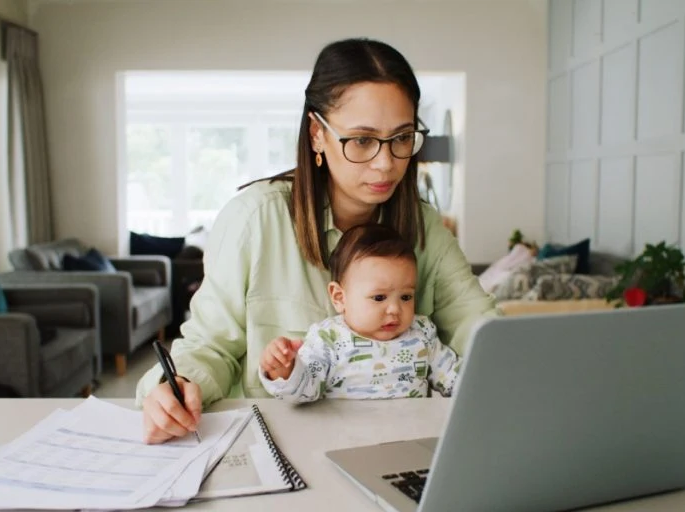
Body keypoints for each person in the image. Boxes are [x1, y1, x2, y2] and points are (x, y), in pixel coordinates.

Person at [136, 37, 496, 444]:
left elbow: (479, 328)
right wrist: (176, 385)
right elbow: (210, 345)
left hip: (400, 444)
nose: (386, 162)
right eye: (361, 140)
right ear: (316, 134)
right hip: (278, 446)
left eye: (401, 138)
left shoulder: (426, 227)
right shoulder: (254, 219)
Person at [259, 224, 461, 402]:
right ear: (339, 297)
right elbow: (304, 391)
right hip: (346, 438)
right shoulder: (328, 339)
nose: (395, 309)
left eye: (406, 297)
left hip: (411, 433)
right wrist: (285, 370)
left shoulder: (422, 333)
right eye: (379, 298)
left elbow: (454, 378)